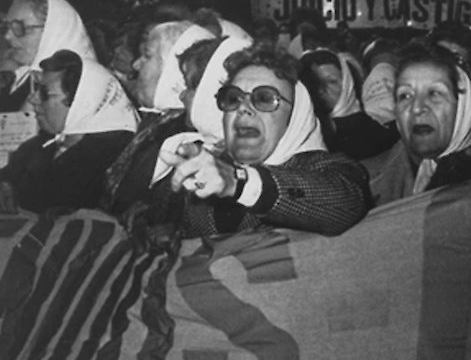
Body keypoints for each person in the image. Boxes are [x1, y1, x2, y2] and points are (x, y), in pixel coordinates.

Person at [160, 49, 371, 236]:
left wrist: (240, 183)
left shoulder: (329, 170)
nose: (243, 108)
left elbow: (345, 203)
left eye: (264, 99)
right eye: (233, 98)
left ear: (296, 116)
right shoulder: (203, 170)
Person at [100, 22, 216, 216]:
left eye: (147, 55)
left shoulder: (185, 137)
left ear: (174, 70)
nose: (136, 65)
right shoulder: (159, 124)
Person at [1, 50, 137, 213]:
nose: (33, 99)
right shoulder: (42, 143)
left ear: (82, 103)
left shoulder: (114, 158)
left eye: (45, 93)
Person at [362, 44, 471, 205]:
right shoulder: (364, 181)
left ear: (464, 108)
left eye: (435, 94)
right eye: (405, 95)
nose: (416, 108)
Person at [1, 0, 97, 110]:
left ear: (53, 31)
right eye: (7, 26)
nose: (8, 36)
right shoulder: (21, 78)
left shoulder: (80, 90)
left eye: (19, 27)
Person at [300, 49, 398, 160]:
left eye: (332, 81)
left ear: (347, 85)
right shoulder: (302, 133)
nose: (321, 90)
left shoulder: (370, 133)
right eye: (314, 83)